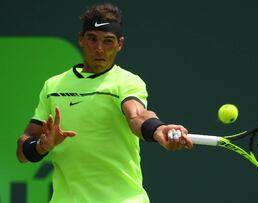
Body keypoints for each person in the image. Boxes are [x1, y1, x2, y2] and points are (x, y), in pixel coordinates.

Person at [16, 3, 193, 203]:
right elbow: (22, 151)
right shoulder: (53, 86)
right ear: (81, 39)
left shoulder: (127, 82)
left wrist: (158, 130)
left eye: (108, 41)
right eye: (92, 39)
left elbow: (137, 116)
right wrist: (41, 146)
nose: (99, 49)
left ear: (120, 44)